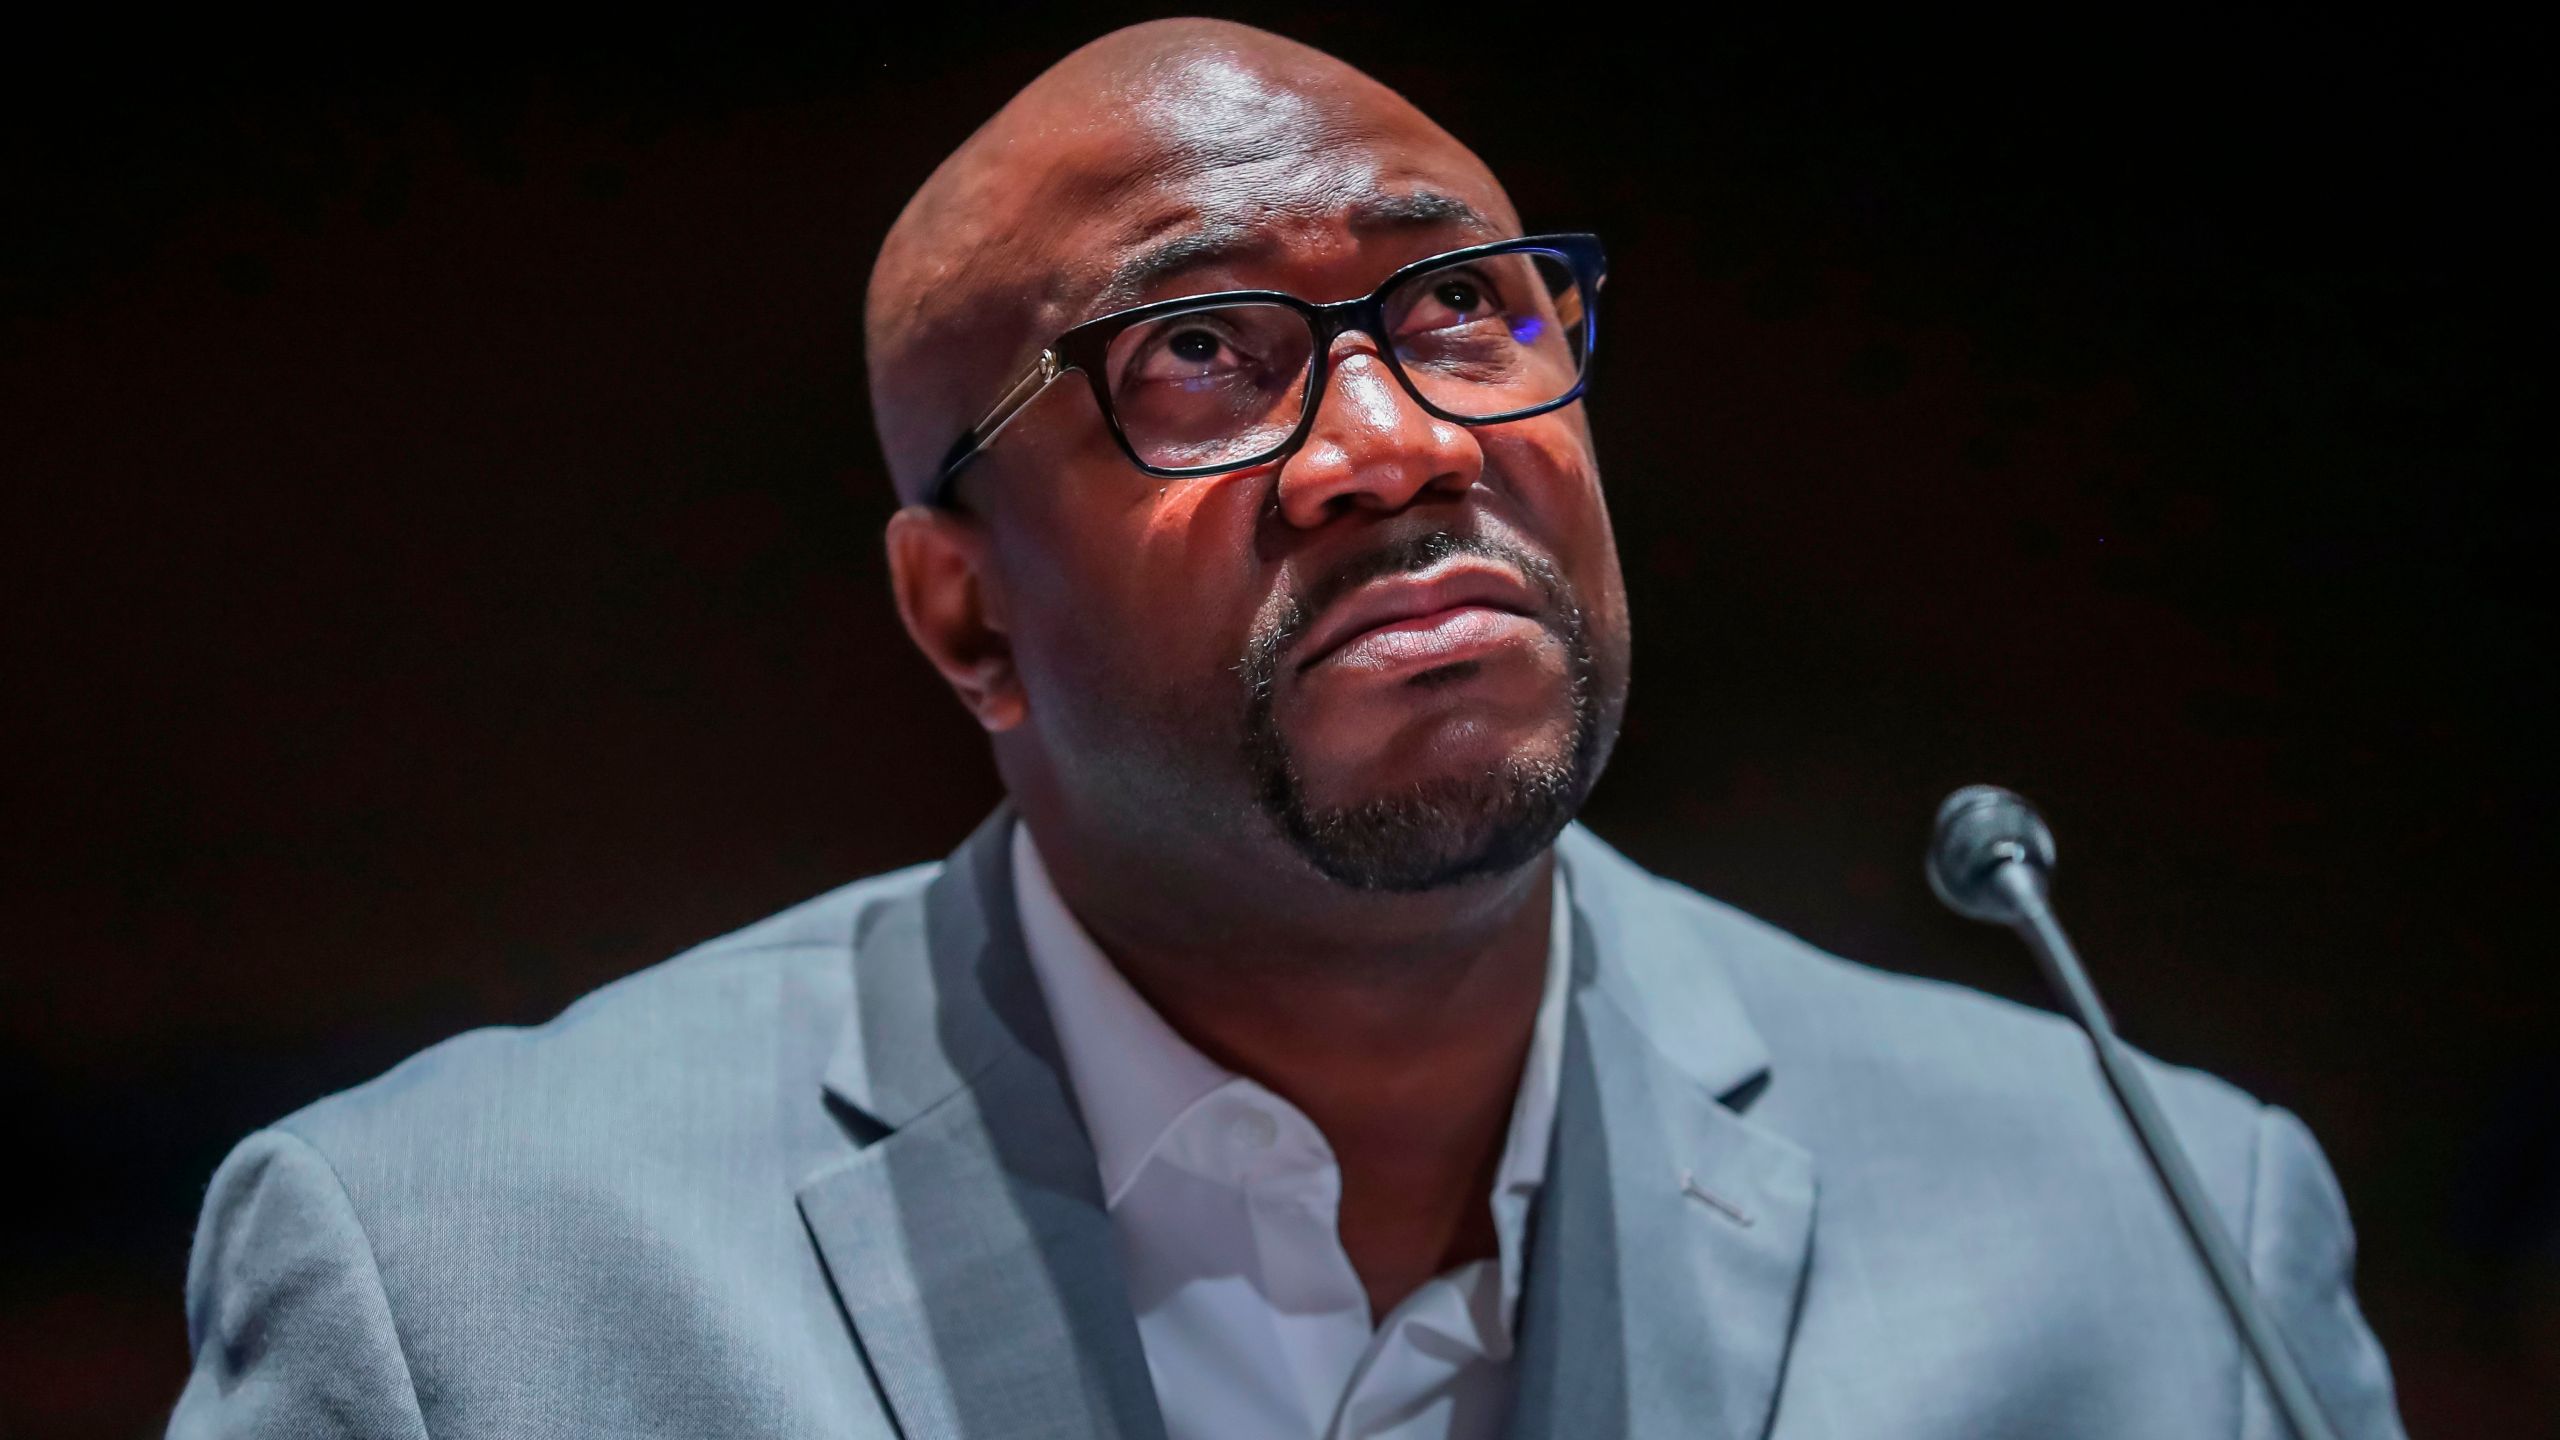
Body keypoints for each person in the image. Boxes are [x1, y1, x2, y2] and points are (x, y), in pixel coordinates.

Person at [166, 19, 2406, 1440]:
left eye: (1460, 306)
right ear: (964, 618)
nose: (1391, 441)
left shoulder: (2144, 1233)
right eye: (1204, 357)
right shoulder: (465, 1282)